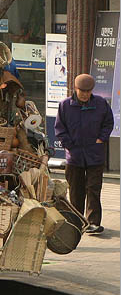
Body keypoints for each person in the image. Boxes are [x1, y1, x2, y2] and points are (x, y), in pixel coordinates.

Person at [55, 73, 114, 234]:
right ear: (75, 89)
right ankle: (77, 221)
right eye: (83, 91)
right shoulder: (65, 106)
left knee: (93, 189)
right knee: (76, 190)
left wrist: (101, 139)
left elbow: (108, 123)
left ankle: (93, 222)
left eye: (88, 91)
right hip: (74, 157)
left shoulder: (101, 104)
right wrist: (70, 146)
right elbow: (60, 129)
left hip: (95, 154)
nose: (85, 94)